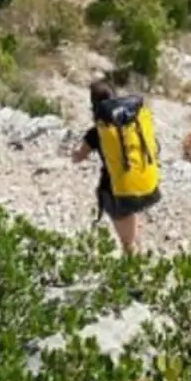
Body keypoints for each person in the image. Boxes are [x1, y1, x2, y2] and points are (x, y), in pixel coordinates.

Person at [72, 80, 162, 256]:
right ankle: (138, 254)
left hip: (116, 190)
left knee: (127, 243)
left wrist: (74, 152)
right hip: (144, 181)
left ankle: (133, 270)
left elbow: (79, 156)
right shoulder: (133, 122)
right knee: (131, 223)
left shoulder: (98, 131)